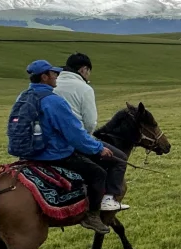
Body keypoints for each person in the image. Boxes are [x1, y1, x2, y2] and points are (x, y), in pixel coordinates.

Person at [19, 59, 122, 233]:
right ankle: (92, 216)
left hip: (29, 154)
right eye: (53, 73)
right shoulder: (54, 101)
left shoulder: (23, 97)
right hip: (54, 154)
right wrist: (98, 148)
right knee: (98, 173)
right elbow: (75, 134)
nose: (57, 76)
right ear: (44, 77)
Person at [55, 52, 128, 212]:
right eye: (89, 71)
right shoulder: (84, 88)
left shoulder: (53, 83)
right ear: (84, 70)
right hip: (74, 141)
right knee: (120, 159)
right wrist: (87, 140)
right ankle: (108, 199)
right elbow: (90, 122)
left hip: (50, 140)